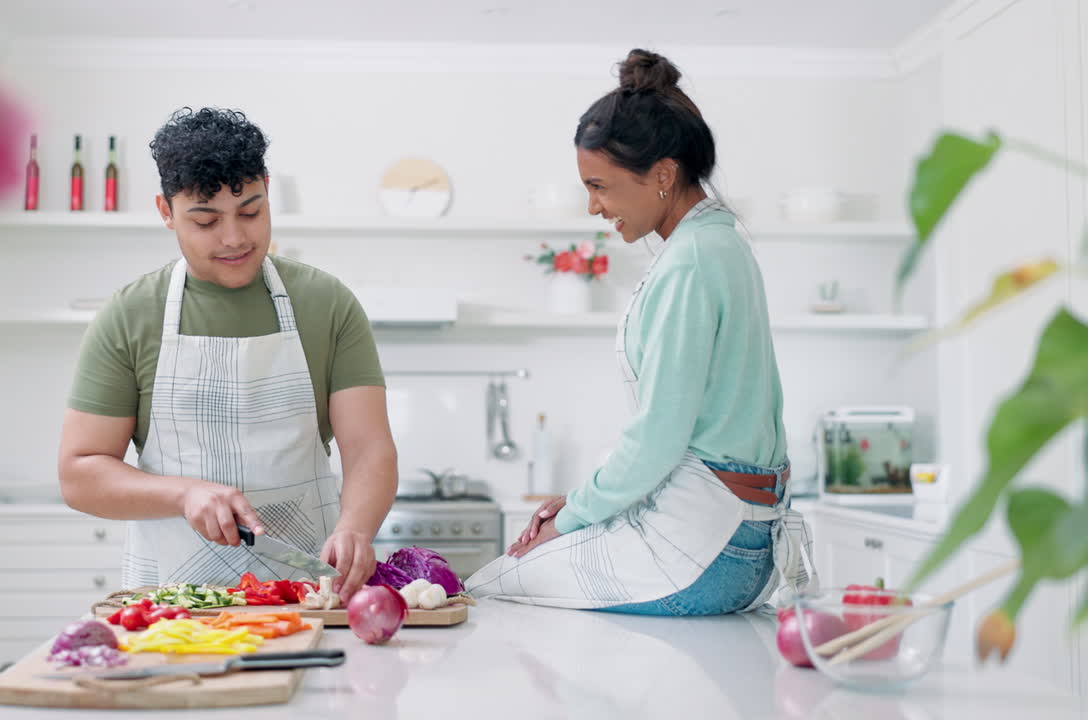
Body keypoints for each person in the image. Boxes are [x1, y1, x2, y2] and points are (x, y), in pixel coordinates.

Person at [466, 50, 814, 614]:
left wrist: (572, 517)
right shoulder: (720, 243)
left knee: (489, 588)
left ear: (663, 175)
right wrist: (579, 504)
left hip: (705, 549)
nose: (593, 206)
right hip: (742, 543)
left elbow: (659, 435)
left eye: (599, 186)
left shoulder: (692, 260)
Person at [57, 107, 397, 603]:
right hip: (174, 605)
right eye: (206, 220)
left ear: (267, 190)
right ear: (166, 211)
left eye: (251, 212)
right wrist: (184, 493)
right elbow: (80, 474)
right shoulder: (131, 315)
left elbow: (369, 448)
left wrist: (356, 529)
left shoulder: (326, 304)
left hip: (309, 595)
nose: (235, 237)